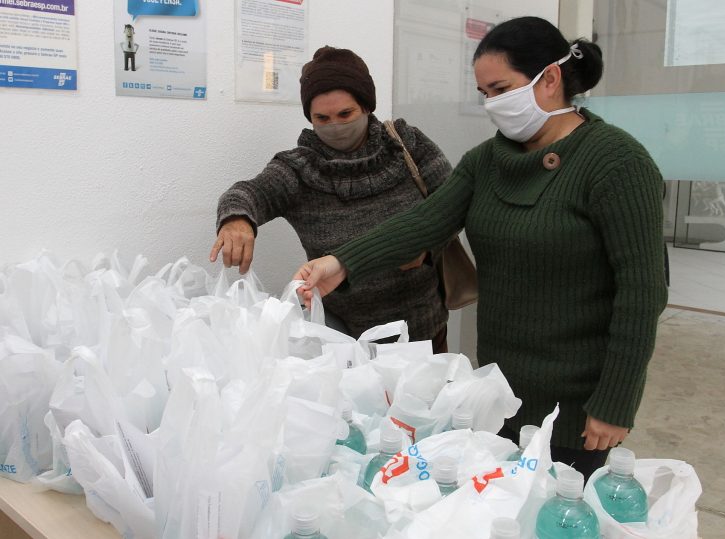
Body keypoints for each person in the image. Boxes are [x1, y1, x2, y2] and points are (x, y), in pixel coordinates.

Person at [293, 17, 668, 479]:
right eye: (484, 93)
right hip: (497, 389)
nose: (492, 104)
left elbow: (643, 292)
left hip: (575, 401)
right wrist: (341, 263)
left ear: (549, 79)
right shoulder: (487, 161)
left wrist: (614, 402)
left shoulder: (617, 163)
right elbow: (425, 222)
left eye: (501, 88)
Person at [210, 46, 452, 352]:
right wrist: (237, 219)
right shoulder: (300, 169)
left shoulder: (407, 145)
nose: (335, 126)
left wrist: (427, 249)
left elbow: (453, 205)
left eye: (345, 114)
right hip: (345, 345)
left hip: (424, 335)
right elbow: (249, 192)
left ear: (366, 106)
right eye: (322, 117)